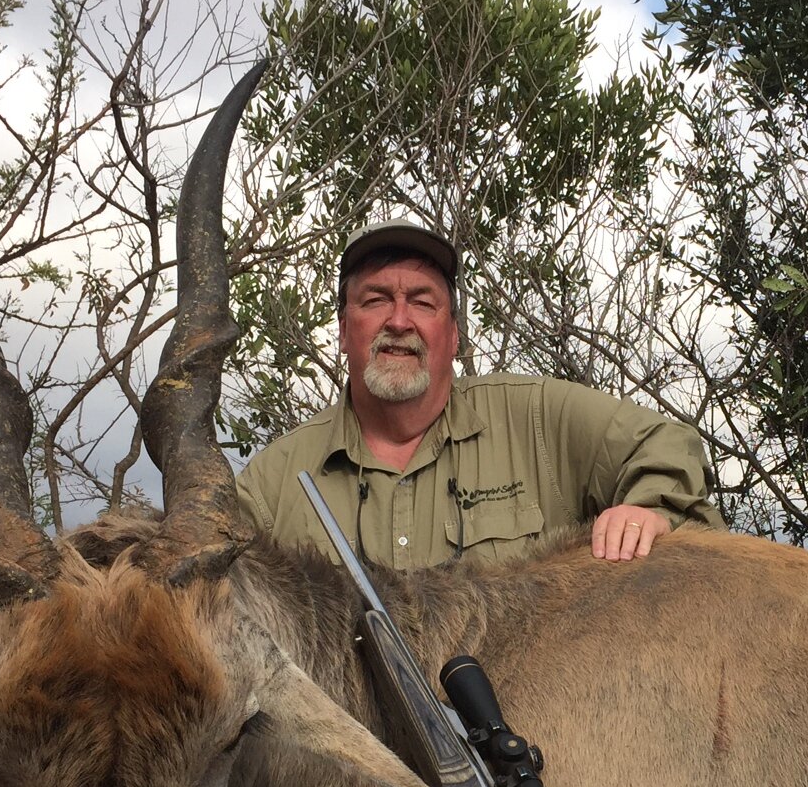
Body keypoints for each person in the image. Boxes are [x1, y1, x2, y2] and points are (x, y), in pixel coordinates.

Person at [235, 220, 724, 568]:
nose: (399, 321)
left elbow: (666, 442)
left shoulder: (534, 417)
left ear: (454, 336)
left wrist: (647, 510)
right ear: (344, 330)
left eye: (423, 303)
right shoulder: (273, 485)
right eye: (376, 299)